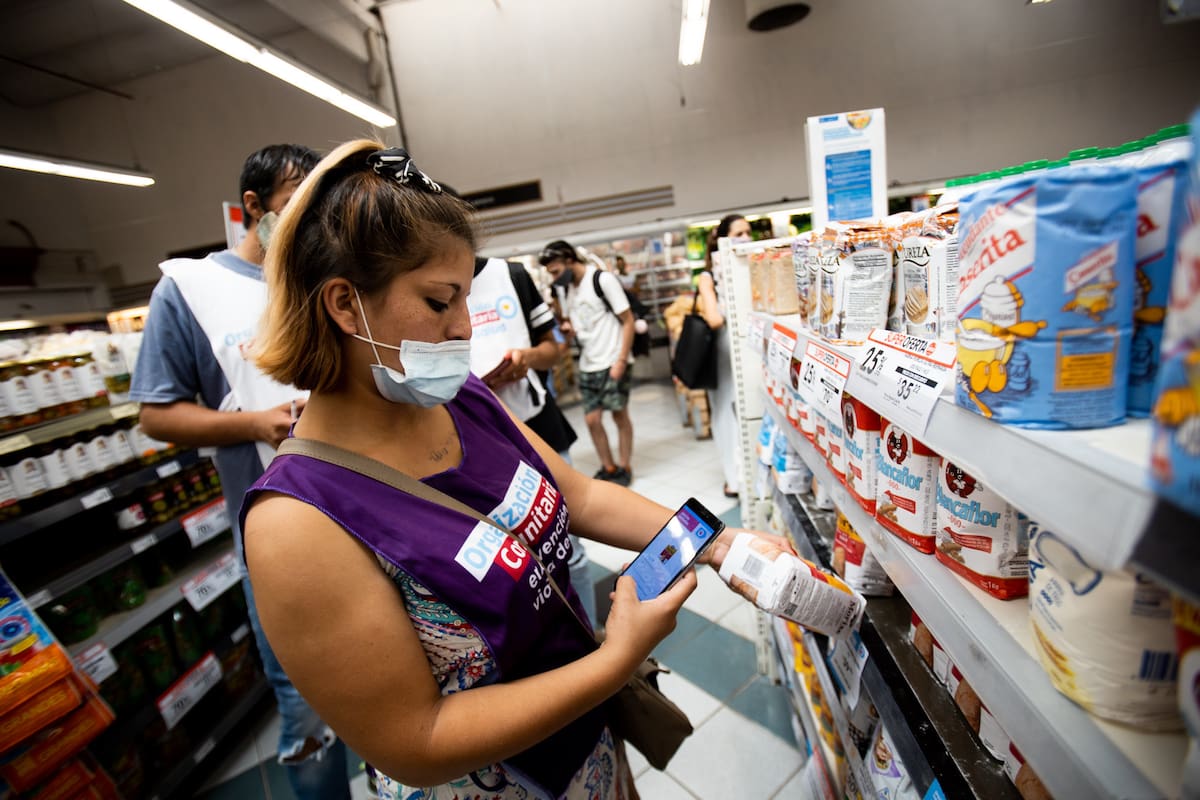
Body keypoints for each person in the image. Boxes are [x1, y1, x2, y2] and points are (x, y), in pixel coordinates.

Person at [240, 140, 788, 799]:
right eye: (439, 302)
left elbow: (579, 495)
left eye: (466, 299)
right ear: (344, 304)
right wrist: (615, 660)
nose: (464, 328)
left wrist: (717, 541)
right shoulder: (296, 522)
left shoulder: (464, 400)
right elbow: (416, 740)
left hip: (590, 753)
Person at [129, 144, 352, 800]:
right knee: (306, 705)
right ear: (253, 206)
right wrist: (255, 425)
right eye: (295, 199)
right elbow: (157, 414)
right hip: (276, 540)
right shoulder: (190, 290)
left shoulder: (330, 277)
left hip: (368, 517)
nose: (311, 215)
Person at [467, 255, 596, 623]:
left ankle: (590, 631)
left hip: (537, 422)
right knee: (512, 563)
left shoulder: (510, 275)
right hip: (475, 439)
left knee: (567, 542)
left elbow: (553, 349)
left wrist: (527, 358)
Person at [540, 240, 636, 486]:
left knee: (619, 416)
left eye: (556, 271)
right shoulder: (566, 290)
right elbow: (578, 323)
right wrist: (569, 330)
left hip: (612, 359)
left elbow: (628, 321)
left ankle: (624, 466)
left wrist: (621, 360)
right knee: (592, 420)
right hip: (588, 363)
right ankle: (608, 467)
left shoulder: (601, 280)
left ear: (570, 260)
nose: (554, 278)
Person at [699, 213, 754, 499]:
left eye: (748, 233)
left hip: (748, 349)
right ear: (723, 239)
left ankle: (750, 472)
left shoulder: (752, 265)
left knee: (749, 409)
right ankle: (733, 479)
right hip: (723, 352)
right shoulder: (708, 276)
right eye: (738, 234)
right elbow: (714, 319)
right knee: (724, 412)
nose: (745, 238)